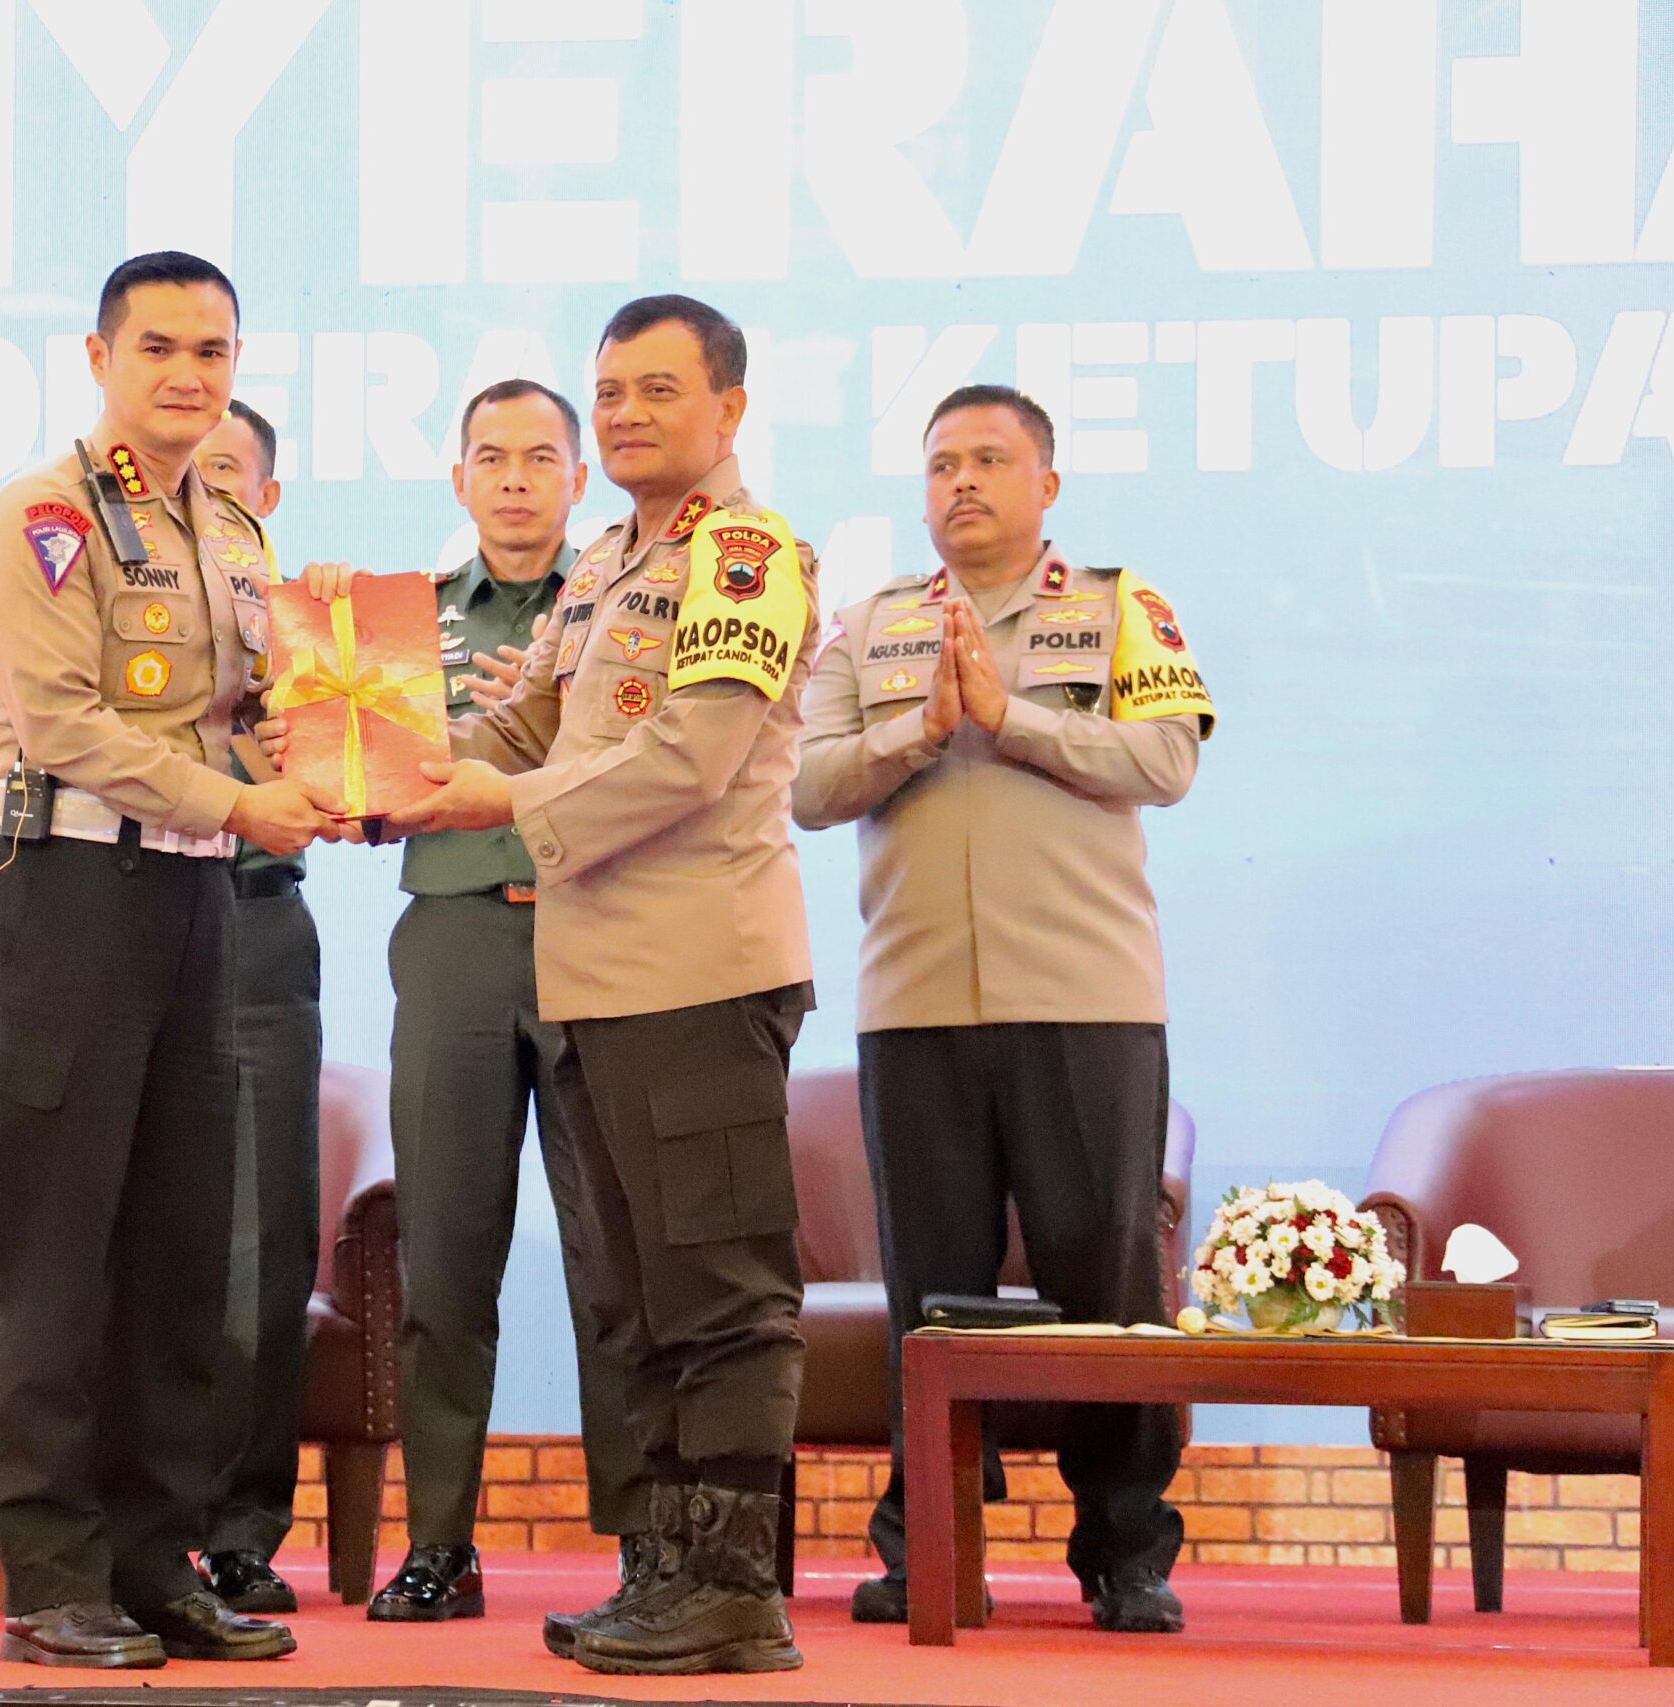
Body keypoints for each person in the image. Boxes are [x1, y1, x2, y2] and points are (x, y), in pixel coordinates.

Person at [270, 296, 820, 1676]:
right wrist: (371, 765)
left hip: (697, 970)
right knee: (640, 1284)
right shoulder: (610, 568)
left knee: (718, 1288)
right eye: (611, 390)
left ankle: (734, 1584)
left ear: (730, 409)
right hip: (598, 977)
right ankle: (669, 1573)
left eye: (654, 390)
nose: (626, 412)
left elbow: (690, 756)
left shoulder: (744, 556)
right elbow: (520, 720)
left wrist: (498, 791)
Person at [0, 251, 337, 1669]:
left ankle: (153, 1558)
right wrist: (246, 796)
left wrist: (325, 761)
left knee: (186, 1246)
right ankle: (52, 1572)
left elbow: (246, 720)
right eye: (163, 346)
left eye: (215, 351)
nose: (190, 373)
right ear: (102, 357)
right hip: (58, 884)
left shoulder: (232, 534)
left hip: (195, 899)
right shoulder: (46, 517)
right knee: (58, 1248)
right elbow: (61, 723)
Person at [791, 383, 1215, 1636]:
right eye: (939, 466)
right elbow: (810, 786)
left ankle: (1126, 1551)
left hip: (1086, 997)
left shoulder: (1117, 609)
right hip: (915, 1003)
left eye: (989, 460)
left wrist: (1008, 721)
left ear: (1047, 485)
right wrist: (914, 735)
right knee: (931, 1288)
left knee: (1106, 1281)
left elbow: (1167, 760)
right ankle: (930, 1544)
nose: (960, 483)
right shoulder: (869, 629)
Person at [356, 380, 644, 1628]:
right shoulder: (398, 628)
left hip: (605, 939)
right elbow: (356, 790)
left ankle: (649, 1554)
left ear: (579, 479)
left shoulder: (624, 610)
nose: (516, 478)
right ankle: (438, 1548)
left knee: (617, 1266)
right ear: (458, 480)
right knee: (446, 1261)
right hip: (458, 944)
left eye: (541, 456)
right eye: (491, 457)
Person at [189, 398, 324, 1616]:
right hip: (129, 922)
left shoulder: (318, 637)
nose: (204, 486)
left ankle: (240, 1530)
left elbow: (358, 772)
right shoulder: (106, 599)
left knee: (259, 1253)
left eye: (228, 472)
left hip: (257, 929)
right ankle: (127, 1521)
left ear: (265, 500)